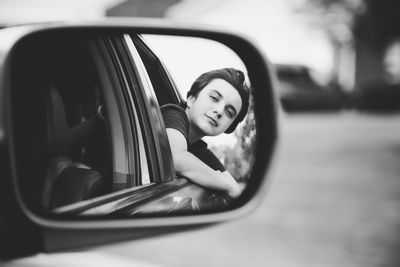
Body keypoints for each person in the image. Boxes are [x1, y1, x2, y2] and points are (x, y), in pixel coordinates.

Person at [161, 68, 250, 198]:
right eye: (214, 98)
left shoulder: (198, 149)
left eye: (229, 112)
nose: (219, 111)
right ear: (191, 99)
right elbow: (175, 157)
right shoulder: (173, 114)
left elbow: (233, 185)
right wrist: (226, 185)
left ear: (228, 127)